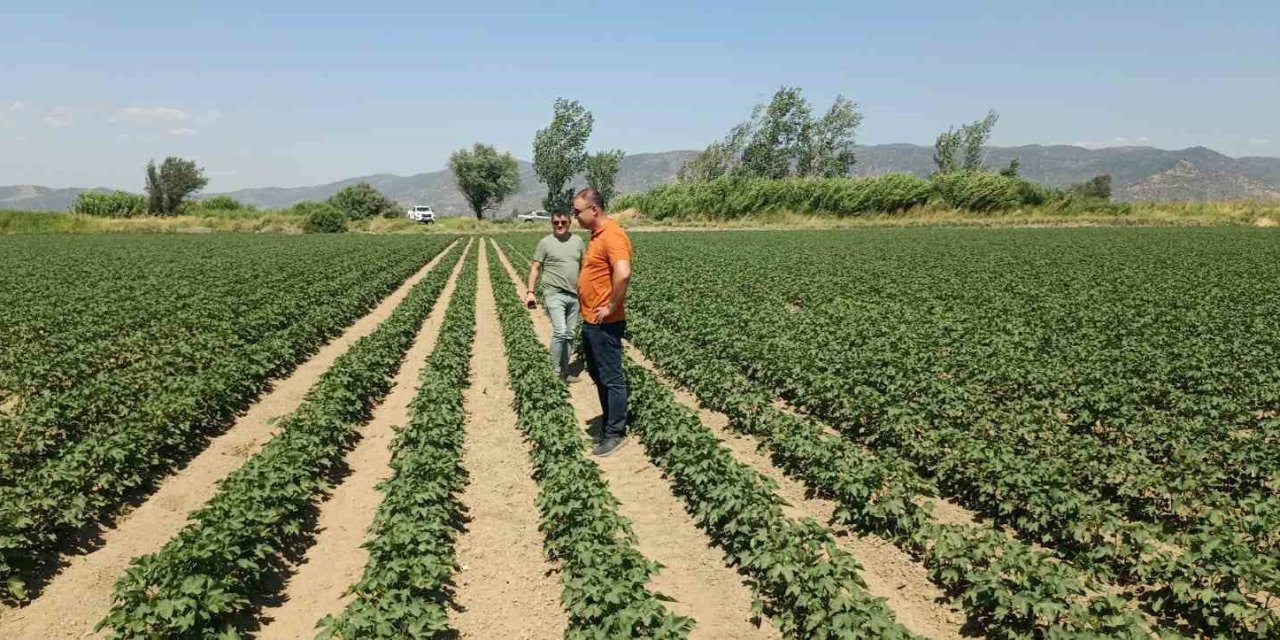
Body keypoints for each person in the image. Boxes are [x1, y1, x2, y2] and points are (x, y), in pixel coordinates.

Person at [573, 187, 632, 457]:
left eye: (577, 212)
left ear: (594, 209)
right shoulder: (597, 236)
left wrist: (610, 306)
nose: (575, 217)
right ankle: (609, 424)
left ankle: (615, 433)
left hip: (605, 322)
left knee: (611, 376)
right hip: (591, 320)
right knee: (598, 374)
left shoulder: (613, 235)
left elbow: (623, 273)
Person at [524, 210, 585, 381]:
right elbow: (535, 268)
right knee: (560, 331)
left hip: (574, 294)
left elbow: (585, 266)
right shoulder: (545, 243)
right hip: (553, 293)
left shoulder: (578, 241)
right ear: (551, 223)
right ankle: (555, 373)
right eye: (556, 222)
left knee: (570, 334)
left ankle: (565, 371)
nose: (560, 225)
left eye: (563, 222)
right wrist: (530, 292)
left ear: (569, 223)